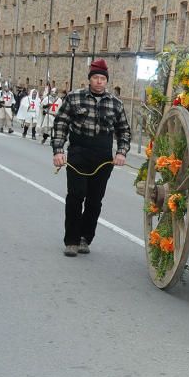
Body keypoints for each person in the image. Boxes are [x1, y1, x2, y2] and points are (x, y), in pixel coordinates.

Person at [51, 59, 131, 257]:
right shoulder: (74, 98)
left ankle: (85, 238)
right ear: (89, 79)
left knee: (95, 201)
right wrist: (58, 151)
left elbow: (124, 131)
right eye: (95, 78)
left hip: (103, 157)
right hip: (79, 153)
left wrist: (121, 152)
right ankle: (71, 240)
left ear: (106, 81)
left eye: (102, 78)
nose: (99, 81)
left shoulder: (115, 103)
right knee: (76, 196)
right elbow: (61, 123)